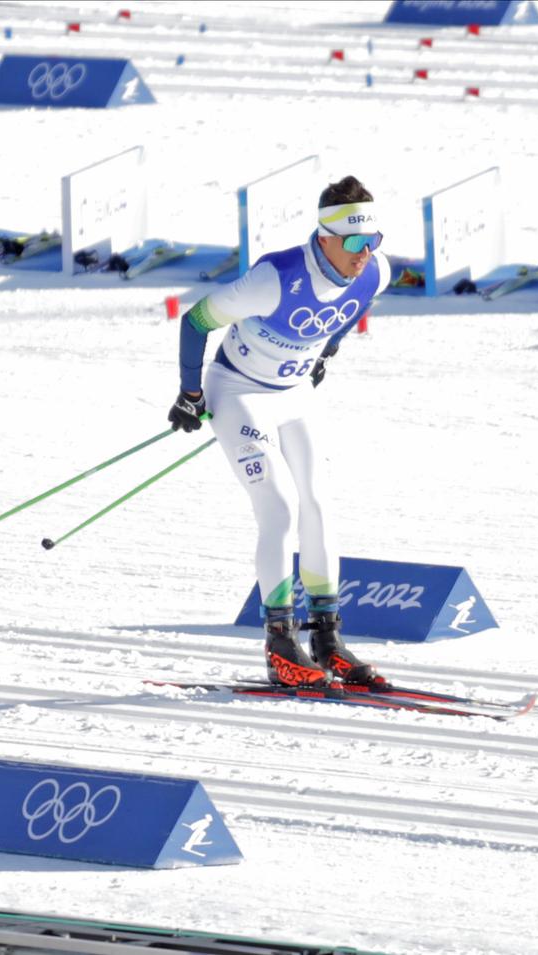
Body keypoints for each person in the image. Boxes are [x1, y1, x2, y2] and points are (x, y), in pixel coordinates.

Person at [167, 175, 390, 688]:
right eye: (354, 242)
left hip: (292, 396)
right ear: (326, 237)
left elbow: (347, 310)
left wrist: (322, 352)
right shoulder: (275, 277)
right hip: (239, 392)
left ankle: (327, 641)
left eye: (373, 241)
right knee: (279, 507)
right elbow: (196, 320)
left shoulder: (375, 273)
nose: (364, 253)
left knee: (318, 504)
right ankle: (281, 645)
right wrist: (191, 393)